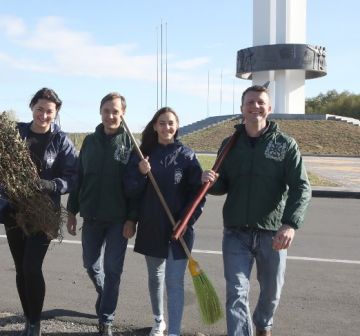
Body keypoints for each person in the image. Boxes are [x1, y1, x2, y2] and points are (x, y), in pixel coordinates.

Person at [202, 85, 311, 336]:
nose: (255, 107)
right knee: (236, 293)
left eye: (260, 102)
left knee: (271, 291)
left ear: (269, 109)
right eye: (250, 103)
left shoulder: (285, 145)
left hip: (272, 233)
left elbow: (301, 187)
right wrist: (210, 182)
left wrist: (290, 224)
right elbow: (224, 185)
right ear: (242, 109)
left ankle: (263, 324)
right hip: (235, 232)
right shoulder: (229, 144)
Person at [0, 87, 78, 336]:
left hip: (44, 214)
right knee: (20, 269)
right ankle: (28, 318)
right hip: (14, 211)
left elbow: (73, 176)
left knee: (31, 267)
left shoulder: (61, 141)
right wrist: (8, 188)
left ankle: (35, 324)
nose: (44, 115)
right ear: (32, 108)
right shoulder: (16, 133)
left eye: (49, 111)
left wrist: (51, 185)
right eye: (40, 109)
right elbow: (0, 168)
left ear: (56, 113)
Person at [123, 107, 205, 336]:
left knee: (174, 282)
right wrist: (140, 172)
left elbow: (198, 195)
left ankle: (174, 331)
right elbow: (130, 191)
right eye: (162, 123)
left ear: (177, 126)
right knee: (155, 277)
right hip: (151, 226)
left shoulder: (187, 155)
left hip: (179, 229)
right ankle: (159, 320)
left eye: (171, 123)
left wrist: (187, 220)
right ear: (154, 126)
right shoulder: (142, 154)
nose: (166, 127)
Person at [66, 92, 137, 336]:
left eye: (115, 111)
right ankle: (104, 293)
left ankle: (106, 319)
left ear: (123, 114)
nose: (110, 115)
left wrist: (132, 218)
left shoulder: (131, 145)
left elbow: (137, 188)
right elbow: (79, 178)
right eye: (106, 110)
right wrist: (72, 211)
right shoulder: (89, 142)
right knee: (90, 264)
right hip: (92, 218)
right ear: (100, 112)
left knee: (113, 270)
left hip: (118, 221)